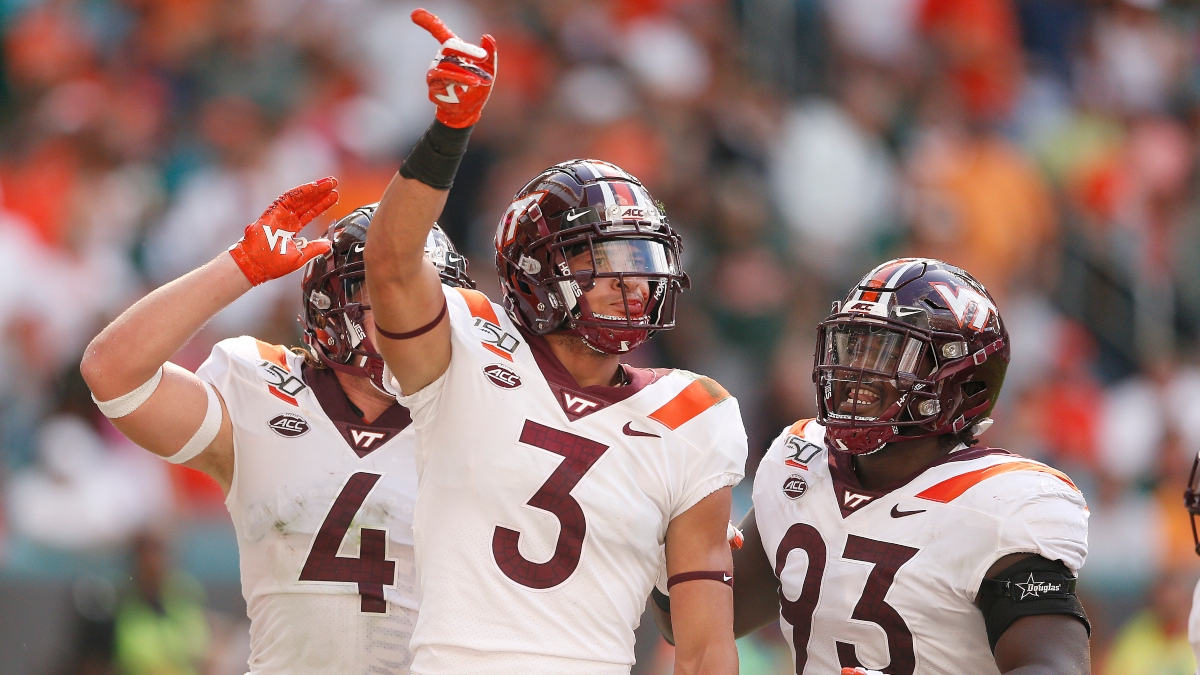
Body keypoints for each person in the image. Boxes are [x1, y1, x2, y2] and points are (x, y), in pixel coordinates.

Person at [362, 9, 747, 674]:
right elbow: (392, 268)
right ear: (536, 271)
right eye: (602, 260)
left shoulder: (697, 412)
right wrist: (449, 131)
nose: (631, 283)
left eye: (639, 259)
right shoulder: (467, 348)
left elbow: (706, 646)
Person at [80, 181, 475, 674]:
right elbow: (113, 373)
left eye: (425, 291)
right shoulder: (259, 387)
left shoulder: (474, 414)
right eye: (385, 290)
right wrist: (239, 269)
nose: (409, 310)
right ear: (334, 302)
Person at [652, 258, 1092, 675]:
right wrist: (668, 522)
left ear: (961, 382)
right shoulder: (800, 462)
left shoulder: (1002, 502)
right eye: (853, 346)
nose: (854, 370)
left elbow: (1054, 667)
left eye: (886, 353)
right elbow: (695, 619)